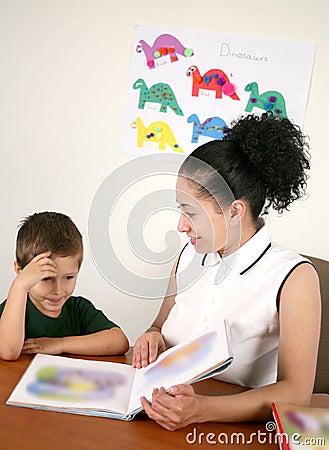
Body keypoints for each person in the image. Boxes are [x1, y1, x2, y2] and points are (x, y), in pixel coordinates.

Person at [132, 113, 322, 430]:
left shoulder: (294, 277)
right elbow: (157, 325)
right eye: (180, 209)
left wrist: (202, 410)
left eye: (190, 212)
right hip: (162, 416)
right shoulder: (188, 257)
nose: (181, 226)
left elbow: (297, 393)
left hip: (235, 430)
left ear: (234, 211)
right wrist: (151, 336)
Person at [0, 211, 129, 360]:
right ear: (20, 271)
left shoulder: (78, 309)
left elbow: (120, 341)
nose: (58, 290)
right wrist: (20, 285)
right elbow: (8, 352)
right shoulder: (13, 308)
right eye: (46, 278)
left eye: (68, 277)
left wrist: (59, 344)